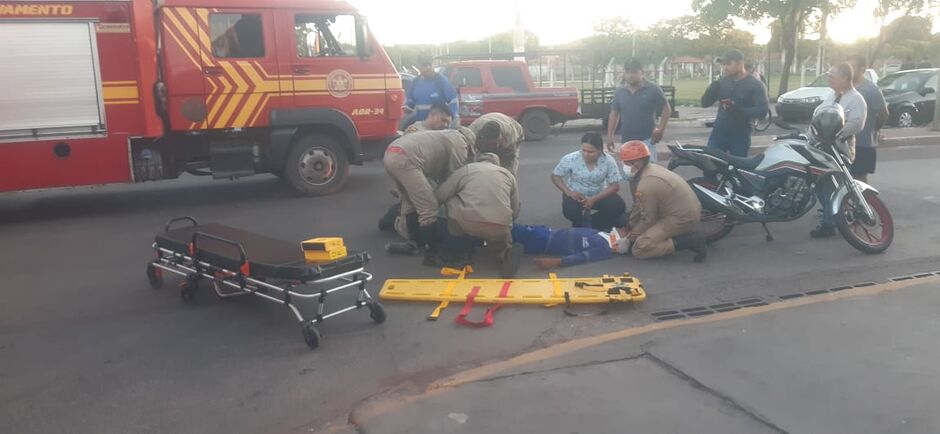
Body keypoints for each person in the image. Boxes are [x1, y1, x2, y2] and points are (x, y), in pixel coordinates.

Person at [383, 128, 476, 259]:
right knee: (428, 207)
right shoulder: (460, 143)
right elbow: (453, 177)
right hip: (406, 160)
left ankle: (414, 243)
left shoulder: (443, 134)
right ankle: (432, 250)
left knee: (411, 201)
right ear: (469, 143)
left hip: (391, 154)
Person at [434, 153, 523, 277]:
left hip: (468, 223)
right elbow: (515, 208)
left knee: (452, 197)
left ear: (477, 161)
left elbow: (441, 195)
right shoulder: (508, 174)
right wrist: (508, 223)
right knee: (500, 231)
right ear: (496, 163)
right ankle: (505, 252)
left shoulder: (467, 170)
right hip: (500, 226)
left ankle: (458, 250)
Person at [619, 141, 706, 262]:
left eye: (626, 163)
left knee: (640, 248)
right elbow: (639, 207)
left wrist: (630, 239)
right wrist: (631, 225)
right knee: (630, 222)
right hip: (681, 210)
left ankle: (688, 241)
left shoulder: (646, 184)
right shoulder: (651, 169)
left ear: (636, 163)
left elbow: (648, 219)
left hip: (682, 218)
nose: (624, 166)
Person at [811, 62, 867, 239]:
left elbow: (856, 124)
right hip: (821, 151)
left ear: (844, 78)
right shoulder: (832, 96)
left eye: (832, 76)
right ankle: (830, 217)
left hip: (839, 152)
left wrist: (833, 134)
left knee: (834, 188)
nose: (829, 79)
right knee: (821, 187)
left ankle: (831, 223)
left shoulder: (856, 99)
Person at [551, 132, 625, 232]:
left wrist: (594, 199)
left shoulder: (608, 160)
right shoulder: (571, 158)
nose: (586, 154)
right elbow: (555, 176)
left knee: (618, 206)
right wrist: (569, 192)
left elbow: (615, 186)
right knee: (570, 210)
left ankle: (595, 223)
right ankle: (579, 224)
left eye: (590, 152)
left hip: (598, 194)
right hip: (576, 194)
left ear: (599, 150)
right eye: (583, 150)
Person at [701, 49, 769, 157]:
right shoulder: (722, 82)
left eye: (728, 64)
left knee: (737, 169)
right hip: (719, 133)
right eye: (723, 65)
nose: (725, 68)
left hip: (740, 135)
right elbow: (704, 103)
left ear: (740, 64)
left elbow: (762, 111)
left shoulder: (755, 84)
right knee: (710, 164)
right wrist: (711, 90)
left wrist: (741, 111)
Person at [606, 58, 670, 163]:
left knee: (648, 174)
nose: (631, 75)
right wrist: (610, 136)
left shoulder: (653, 89)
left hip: (648, 140)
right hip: (627, 141)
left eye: (635, 72)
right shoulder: (619, 92)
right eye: (628, 72)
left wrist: (660, 130)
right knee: (630, 174)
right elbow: (614, 114)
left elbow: (666, 108)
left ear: (642, 73)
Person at [846, 54, 889, 183]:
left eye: (853, 67)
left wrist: (874, 129)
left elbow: (883, 113)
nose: (850, 71)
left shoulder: (871, 89)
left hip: (863, 143)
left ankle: (863, 202)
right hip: (844, 143)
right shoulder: (844, 87)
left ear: (862, 69)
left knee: (860, 178)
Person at [511, 224, 629, 270]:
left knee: (512, 230)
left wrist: (556, 262)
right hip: (548, 231)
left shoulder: (605, 248)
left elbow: (582, 257)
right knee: (513, 230)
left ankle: (504, 249)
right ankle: (504, 247)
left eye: (625, 230)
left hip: (545, 241)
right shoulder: (602, 234)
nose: (621, 228)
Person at [404, 54, 459, 127]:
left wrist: (451, 120)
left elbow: (453, 100)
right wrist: (407, 108)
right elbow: (410, 102)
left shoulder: (441, 80)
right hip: (422, 125)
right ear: (419, 66)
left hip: (439, 127)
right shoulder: (415, 82)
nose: (428, 68)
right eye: (425, 65)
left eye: (430, 65)